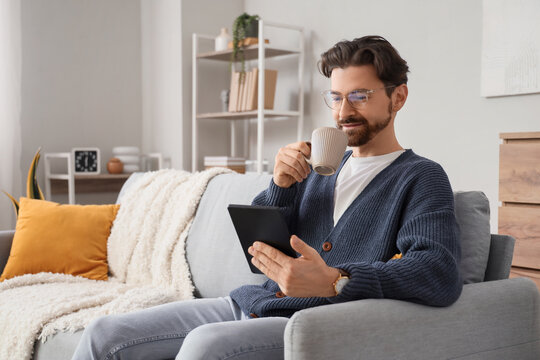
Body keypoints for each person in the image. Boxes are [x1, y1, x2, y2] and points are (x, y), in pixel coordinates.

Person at [72, 35, 462, 360]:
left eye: (359, 96)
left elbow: (438, 272)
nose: (344, 112)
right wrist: (281, 184)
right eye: (336, 97)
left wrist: (335, 280)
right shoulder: (317, 168)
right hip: (252, 302)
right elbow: (259, 256)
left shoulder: (420, 176)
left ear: (398, 98)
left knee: (204, 346)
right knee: (104, 333)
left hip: (312, 323)